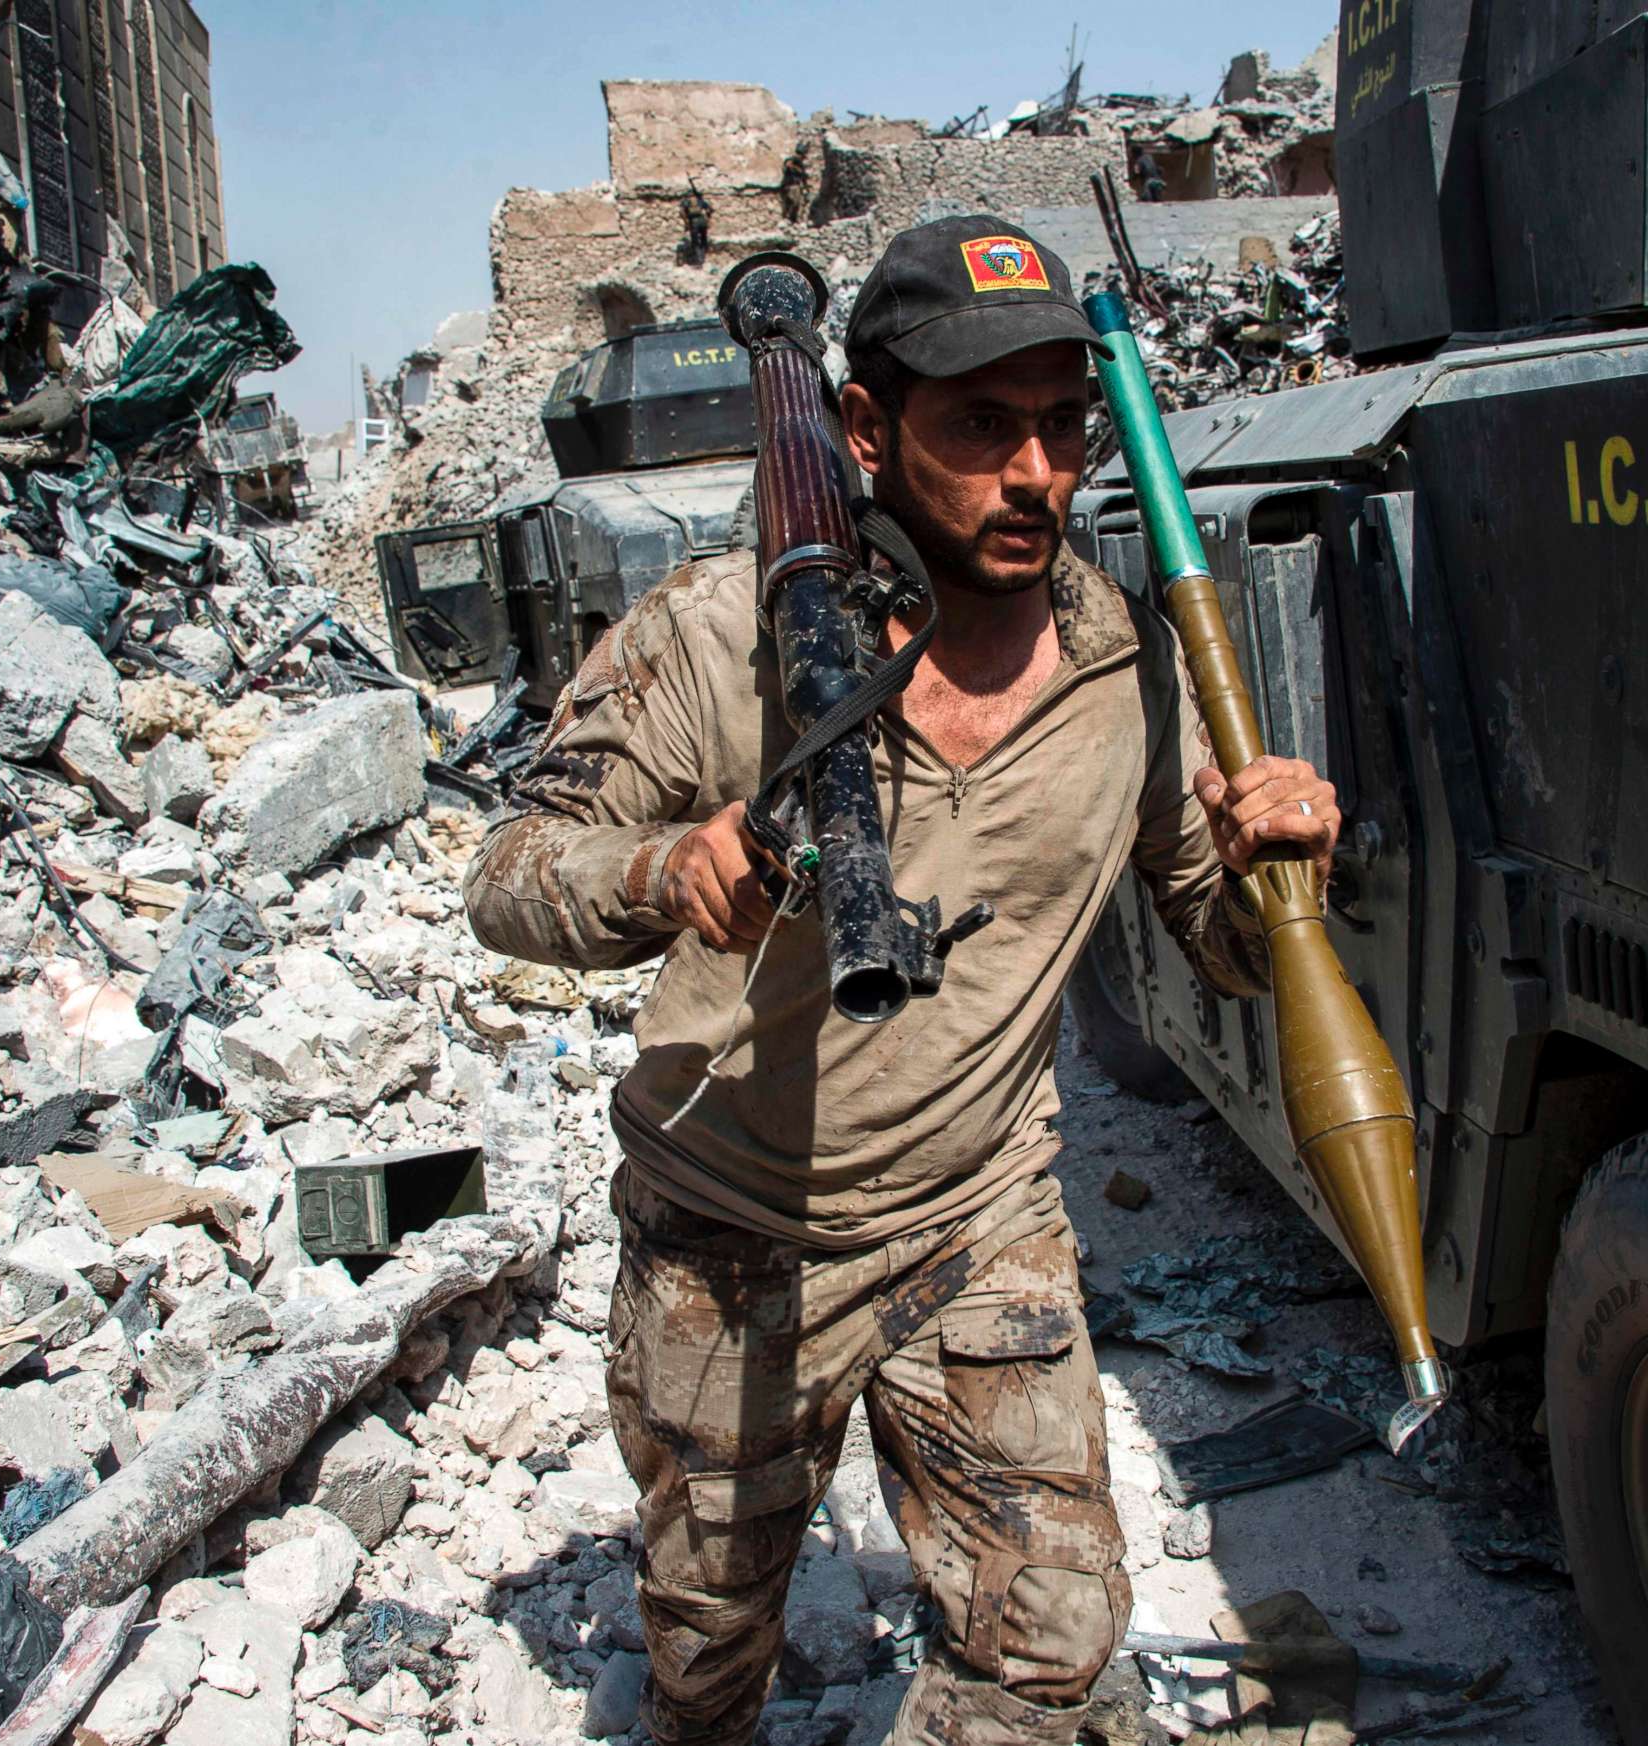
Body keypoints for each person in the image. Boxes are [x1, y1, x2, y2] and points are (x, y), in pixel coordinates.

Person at [463, 214, 1343, 1746]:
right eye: (983, 428)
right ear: (866, 427)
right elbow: (510, 874)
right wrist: (669, 873)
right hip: (734, 1234)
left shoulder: (1118, 657)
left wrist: (1286, 873)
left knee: (1053, 1646)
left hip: (976, 1218)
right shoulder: (723, 633)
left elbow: (1216, 935)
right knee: (707, 1662)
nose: (1039, 476)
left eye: (1065, 427)